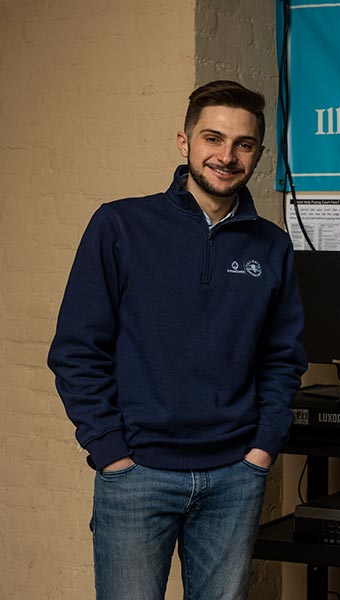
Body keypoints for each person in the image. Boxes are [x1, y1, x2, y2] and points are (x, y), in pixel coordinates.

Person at [47, 80, 307, 599]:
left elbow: (283, 356)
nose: (227, 156)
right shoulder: (121, 225)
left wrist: (262, 447)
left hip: (234, 475)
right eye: (213, 139)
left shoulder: (272, 245)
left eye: (244, 144)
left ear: (257, 152)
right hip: (137, 473)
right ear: (185, 142)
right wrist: (110, 451)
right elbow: (77, 349)